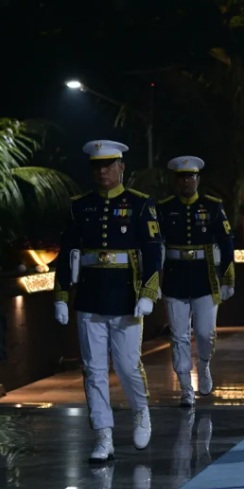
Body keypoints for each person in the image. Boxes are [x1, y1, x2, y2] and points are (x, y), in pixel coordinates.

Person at [53, 140, 162, 462]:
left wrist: (148, 292)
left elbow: (154, 251)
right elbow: (67, 253)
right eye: (97, 166)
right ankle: (103, 435)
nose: (103, 171)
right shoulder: (80, 205)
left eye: (109, 165)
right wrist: (60, 296)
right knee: (93, 370)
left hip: (126, 297)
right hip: (89, 296)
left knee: (128, 366)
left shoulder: (140, 204)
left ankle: (141, 412)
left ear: (121, 167)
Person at [157, 156, 236, 407]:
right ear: (175, 180)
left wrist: (227, 277)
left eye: (190, 177)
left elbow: (226, 241)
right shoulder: (165, 207)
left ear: (198, 179)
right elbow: (155, 244)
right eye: (181, 177)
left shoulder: (212, 206)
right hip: (174, 278)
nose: (186, 181)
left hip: (205, 278)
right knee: (179, 336)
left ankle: (203, 365)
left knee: (205, 333)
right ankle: (184, 388)